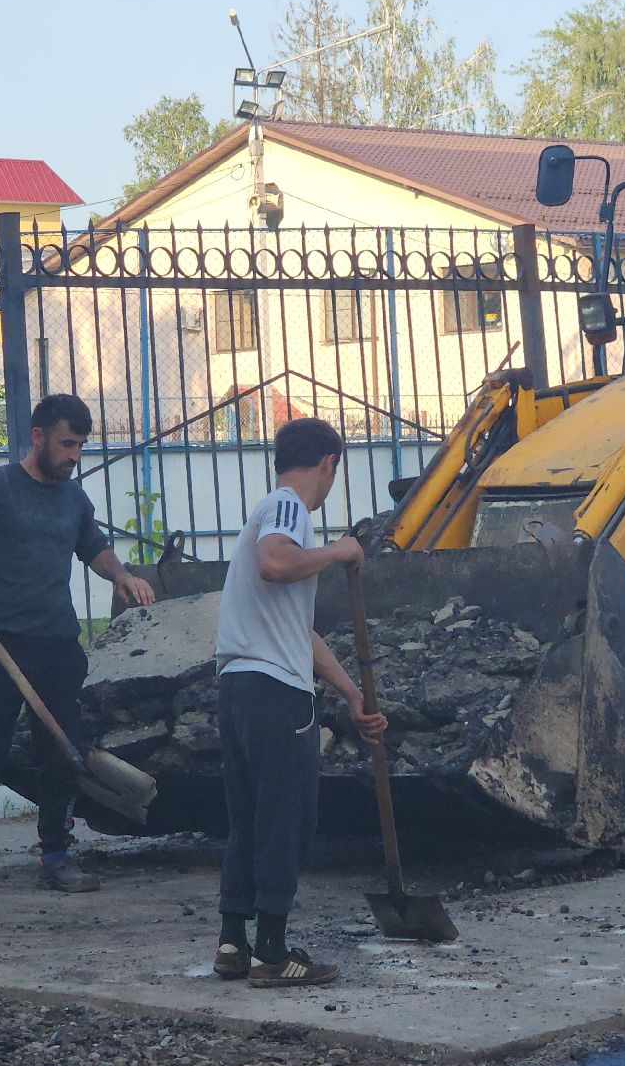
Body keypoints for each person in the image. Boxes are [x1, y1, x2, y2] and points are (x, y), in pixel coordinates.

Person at [0, 394, 156, 910]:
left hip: (58, 644)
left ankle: (56, 855)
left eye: (81, 446)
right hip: (2, 644)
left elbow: (93, 547)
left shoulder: (73, 499)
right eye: (67, 444)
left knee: (62, 753)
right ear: (39, 437)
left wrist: (121, 575)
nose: (74, 456)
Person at [212, 418, 388, 988]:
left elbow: (298, 632)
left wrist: (353, 694)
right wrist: (339, 550)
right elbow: (276, 564)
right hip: (274, 695)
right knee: (286, 819)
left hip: (238, 688)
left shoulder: (267, 512)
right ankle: (272, 950)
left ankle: (232, 942)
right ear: (329, 464)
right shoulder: (288, 508)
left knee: (249, 819)